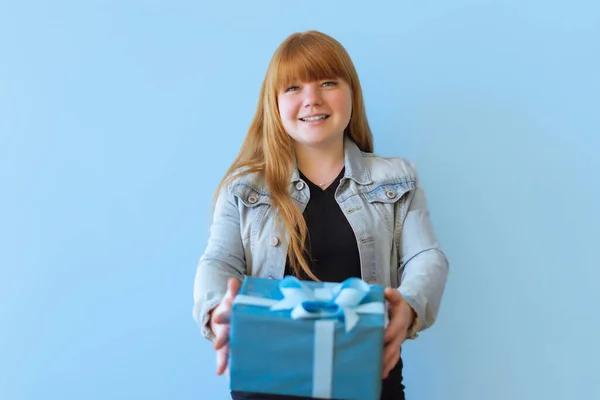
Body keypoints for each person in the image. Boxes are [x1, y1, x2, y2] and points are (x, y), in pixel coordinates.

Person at [193, 30, 449, 400]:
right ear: (275, 104)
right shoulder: (243, 190)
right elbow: (218, 260)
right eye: (293, 88)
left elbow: (427, 257)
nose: (312, 99)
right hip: (265, 387)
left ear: (351, 94)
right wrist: (218, 307)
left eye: (328, 82)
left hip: (369, 384)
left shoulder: (398, 179)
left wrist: (409, 306)